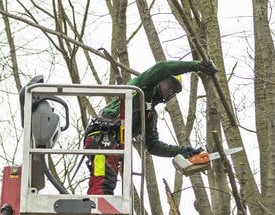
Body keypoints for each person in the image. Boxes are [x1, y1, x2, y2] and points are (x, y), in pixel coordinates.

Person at [83, 60, 217, 194]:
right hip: (102, 137)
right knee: (103, 181)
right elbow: (163, 67)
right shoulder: (143, 87)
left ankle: (96, 209)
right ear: (161, 80)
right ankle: (98, 211)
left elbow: (152, 145)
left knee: (105, 179)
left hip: (113, 144)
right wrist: (197, 66)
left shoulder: (150, 113)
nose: (170, 91)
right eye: (170, 85)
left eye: (174, 90)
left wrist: (180, 151)